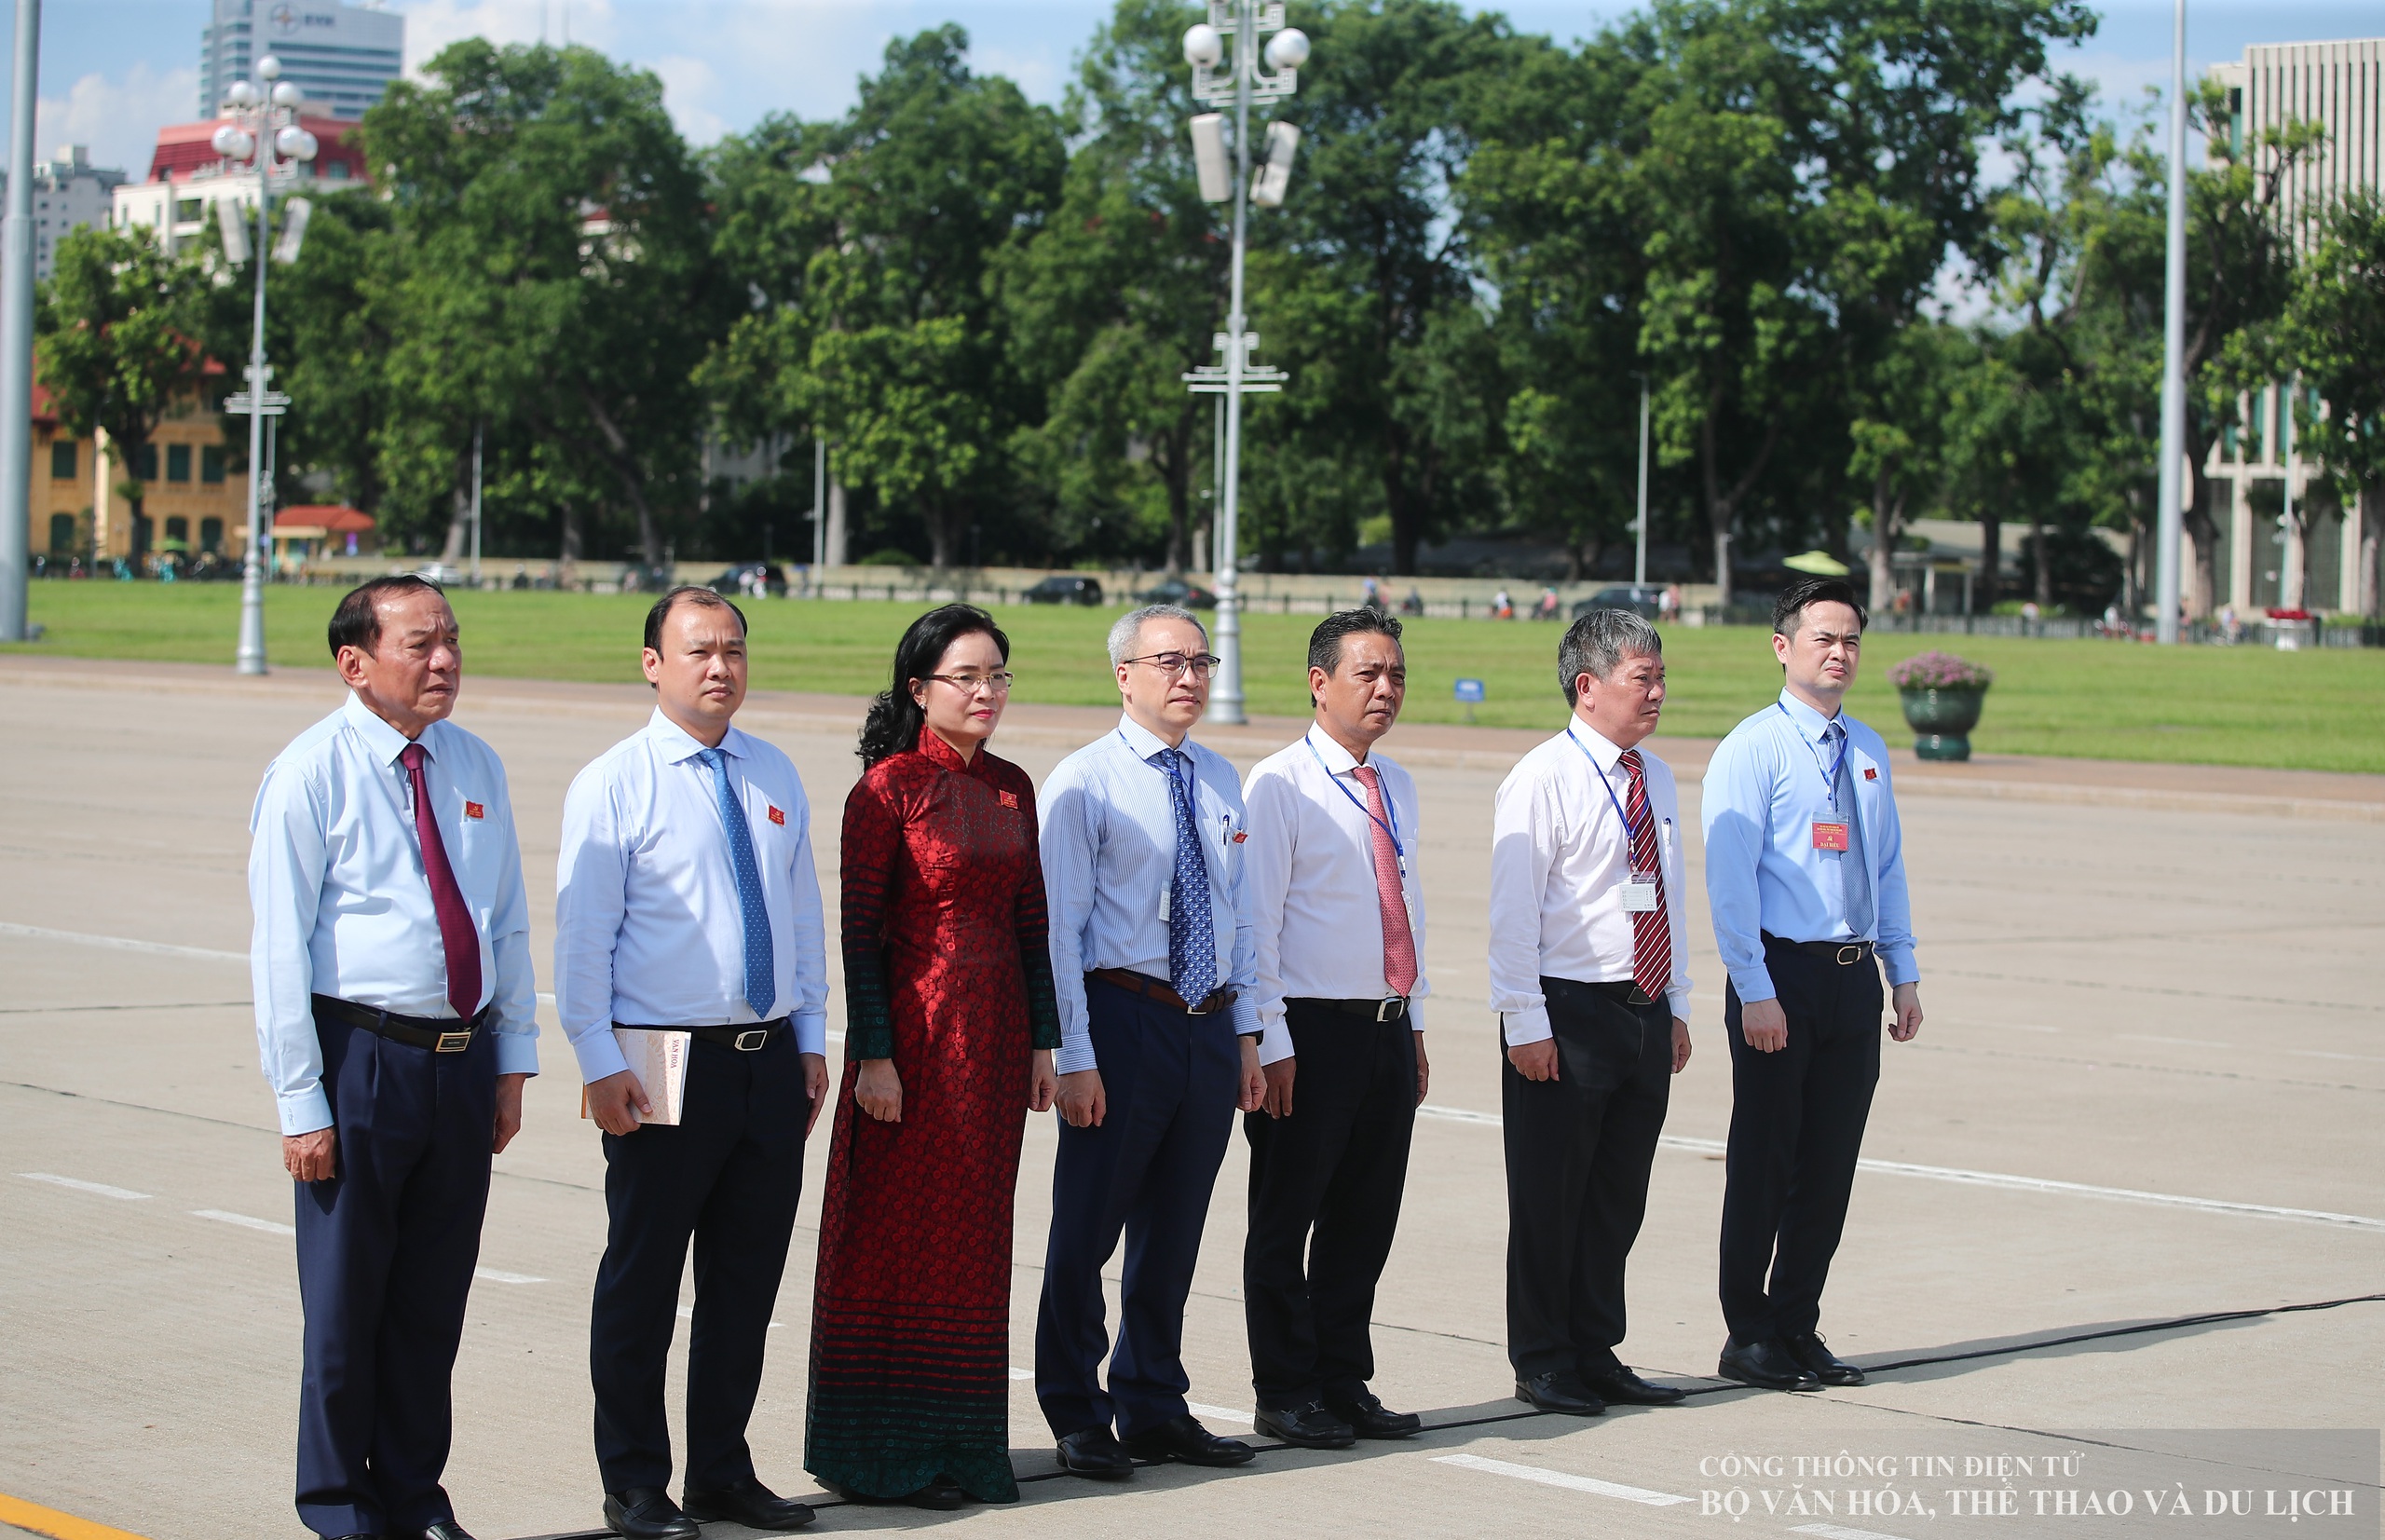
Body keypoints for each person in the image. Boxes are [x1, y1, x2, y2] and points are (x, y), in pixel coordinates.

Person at [248, 575, 540, 1540]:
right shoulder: (310, 772)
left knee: (429, 1305)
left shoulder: (474, 765)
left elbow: (503, 923)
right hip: (360, 1058)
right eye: (420, 644)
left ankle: (414, 1498)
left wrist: (511, 1060)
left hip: (459, 1063)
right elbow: (278, 949)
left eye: (451, 639)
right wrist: (301, 1101)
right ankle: (339, 1507)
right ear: (355, 661)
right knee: (345, 1308)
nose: (445, 660)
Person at [554, 586, 831, 1540]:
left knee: (744, 1282)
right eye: (700, 651)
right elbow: (583, 940)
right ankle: (634, 1481)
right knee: (642, 1278)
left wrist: (810, 1039)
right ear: (653, 664)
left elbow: (801, 919)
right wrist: (596, 1059)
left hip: (765, 1061)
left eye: (735, 650)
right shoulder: (616, 781)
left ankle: (721, 1469)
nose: (721, 668)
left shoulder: (774, 773)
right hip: (658, 1055)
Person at [806, 606, 1061, 1509]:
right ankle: (885, 1456)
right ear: (919, 691)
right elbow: (861, 935)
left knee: (979, 1245)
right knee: (900, 1242)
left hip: (994, 1048)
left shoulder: (1013, 787)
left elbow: (1032, 921)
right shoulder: (886, 791)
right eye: (968, 677)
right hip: (913, 1047)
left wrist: (1046, 1040)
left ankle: (966, 1449)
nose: (987, 693)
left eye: (998, 676)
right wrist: (872, 1055)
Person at [1036, 604, 1267, 1479]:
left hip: (1205, 1024)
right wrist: (1076, 1055)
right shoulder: (1085, 782)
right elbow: (1060, 931)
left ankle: (1153, 1399)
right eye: (1169, 661)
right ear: (1123, 674)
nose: (1190, 677)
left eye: (1201, 661)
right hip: (1122, 1014)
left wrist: (1244, 1033)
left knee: (1174, 1230)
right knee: (1088, 1226)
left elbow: (1237, 914)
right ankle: (1075, 1406)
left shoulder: (1219, 778)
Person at [1701, 577, 1922, 1394]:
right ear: (1782, 646)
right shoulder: (1752, 748)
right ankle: (1747, 1329)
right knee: (1765, 1158)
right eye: (1824, 637)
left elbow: (1885, 866)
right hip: (1779, 974)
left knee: (1829, 1163)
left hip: (1850, 976)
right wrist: (1753, 987)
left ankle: (1798, 1320)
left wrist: (1902, 971)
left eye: (1852, 641)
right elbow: (1731, 885)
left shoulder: (1865, 750)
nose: (1839, 652)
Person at [1485, 608, 1693, 1419]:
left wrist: (1674, 1003)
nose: (1658, 692)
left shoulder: (1658, 776)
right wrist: (1524, 1023)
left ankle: (1595, 1346)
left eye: (1660, 676)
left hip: (1640, 1008)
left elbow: (1670, 892)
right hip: (1565, 1010)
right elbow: (1513, 916)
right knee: (1550, 1196)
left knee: (1616, 1195)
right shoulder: (1543, 777)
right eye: (1644, 677)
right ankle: (1542, 1357)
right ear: (1588, 685)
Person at [1240, 610, 1432, 1449]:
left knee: (1365, 1216)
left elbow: (1408, 908)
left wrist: (1415, 1023)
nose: (1385, 688)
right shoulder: (1279, 784)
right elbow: (1257, 925)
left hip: (1386, 1025)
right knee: (1288, 1218)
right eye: (1367, 674)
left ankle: (1341, 1377)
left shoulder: (1396, 782)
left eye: (1395, 673)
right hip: (1308, 1033)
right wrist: (1269, 1040)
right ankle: (1283, 1388)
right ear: (1319, 683)